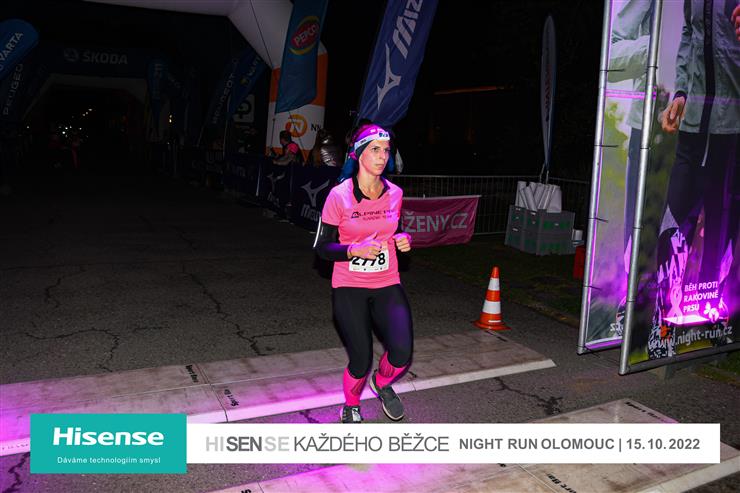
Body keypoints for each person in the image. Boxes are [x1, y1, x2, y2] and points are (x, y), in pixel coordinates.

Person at [648, 0, 739, 359]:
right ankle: (663, 320)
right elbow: (690, 34)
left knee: (721, 220)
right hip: (694, 118)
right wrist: (682, 92)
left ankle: (714, 315)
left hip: (732, 121)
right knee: (677, 212)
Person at [313, 123, 413, 423]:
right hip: (350, 285)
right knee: (360, 359)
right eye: (375, 150)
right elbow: (322, 248)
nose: (383, 156)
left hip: (387, 281)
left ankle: (381, 384)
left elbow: (395, 228)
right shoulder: (339, 196)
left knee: (402, 353)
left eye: (386, 150)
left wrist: (403, 238)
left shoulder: (395, 193)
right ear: (358, 154)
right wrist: (353, 250)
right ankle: (351, 404)